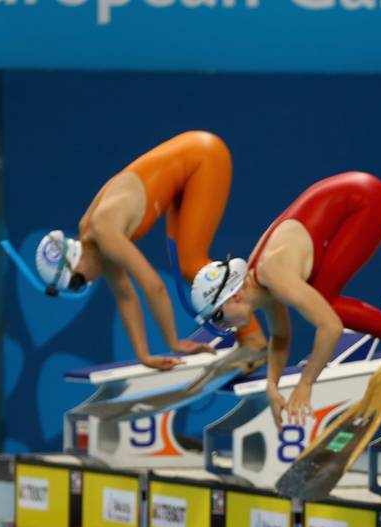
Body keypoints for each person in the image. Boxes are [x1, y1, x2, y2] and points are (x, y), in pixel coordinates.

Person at [192, 172, 381, 427]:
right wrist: (272, 385)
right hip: (349, 195)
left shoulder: (274, 274)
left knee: (326, 303)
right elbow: (281, 337)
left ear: (234, 296)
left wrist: (306, 384)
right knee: (323, 297)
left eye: (217, 315)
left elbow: (331, 327)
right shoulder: (260, 286)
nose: (221, 325)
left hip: (365, 199)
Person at [27, 131, 264, 368]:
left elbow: (154, 286)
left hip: (204, 157)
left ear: (75, 261)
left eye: (78, 281)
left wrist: (174, 342)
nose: (88, 282)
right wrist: (144, 356)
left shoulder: (103, 231)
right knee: (186, 263)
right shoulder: (95, 241)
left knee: (191, 263)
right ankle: (249, 338)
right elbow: (125, 296)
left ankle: (253, 340)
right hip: (188, 170)